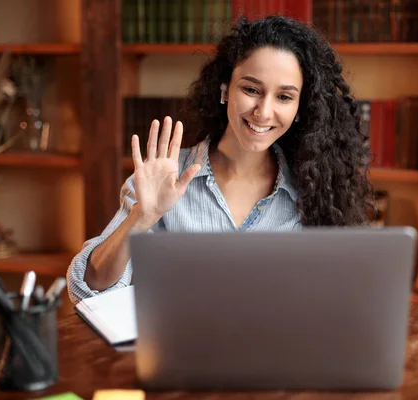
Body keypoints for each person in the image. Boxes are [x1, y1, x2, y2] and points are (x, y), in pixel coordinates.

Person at [66, 15, 373, 304]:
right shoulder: (164, 179)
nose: (263, 112)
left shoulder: (314, 192)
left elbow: (333, 302)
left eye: (284, 96)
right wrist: (140, 217)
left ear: (299, 108)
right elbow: (86, 289)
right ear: (225, 89)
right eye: (251, 89)